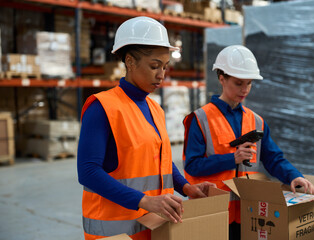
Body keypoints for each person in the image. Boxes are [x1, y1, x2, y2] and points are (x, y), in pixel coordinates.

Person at [77, 16, 215, 240]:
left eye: (165, 66)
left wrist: (186, 187)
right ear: (130, 61)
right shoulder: (102, 107)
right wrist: (145, 201)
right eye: (154, 66)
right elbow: (88, 172)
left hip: (155, 227)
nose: (161, 75)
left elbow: (160, 161)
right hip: (115, 232)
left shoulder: (154, 108)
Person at [182, 45, 314, 240]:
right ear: (222, 78)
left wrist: (293, 176)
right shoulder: (200, 119)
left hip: (248, 212)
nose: (245, 90)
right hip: (212, 211)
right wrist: (231, 159)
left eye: (249, 83)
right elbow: (192, 166)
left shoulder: (256, 120)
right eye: (238, 83)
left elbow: (273, 158)